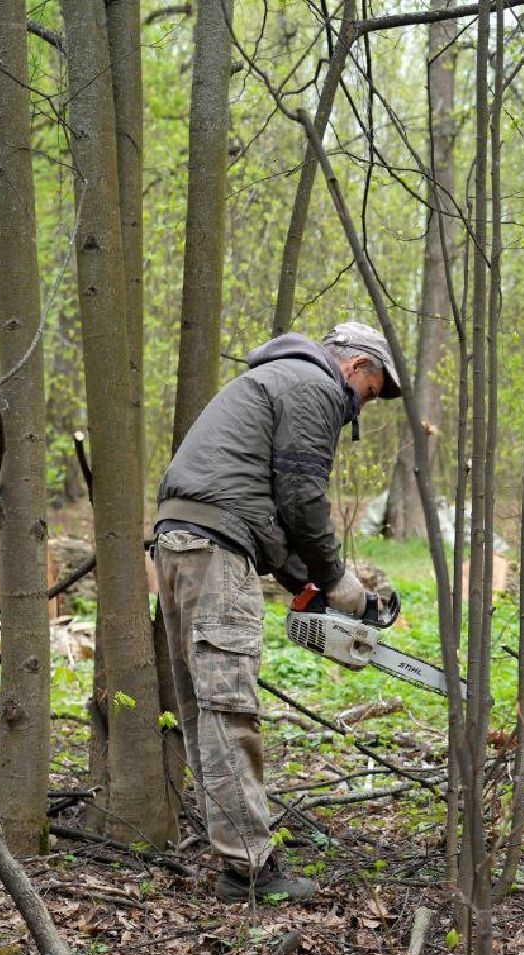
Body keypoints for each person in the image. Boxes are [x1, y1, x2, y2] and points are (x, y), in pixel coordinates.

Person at [154, 321, 402, 902]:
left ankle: (234, 851)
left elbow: (261, 501)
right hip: (215, 551)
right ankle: (248, 869)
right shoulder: (312, 385)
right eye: (371, 391)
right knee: (228, 706)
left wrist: (302, 582)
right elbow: (301, 496)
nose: (362, 406)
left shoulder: (275, 379)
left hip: (183, 541)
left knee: (204, 707)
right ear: (357, 366)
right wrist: (337, 579)